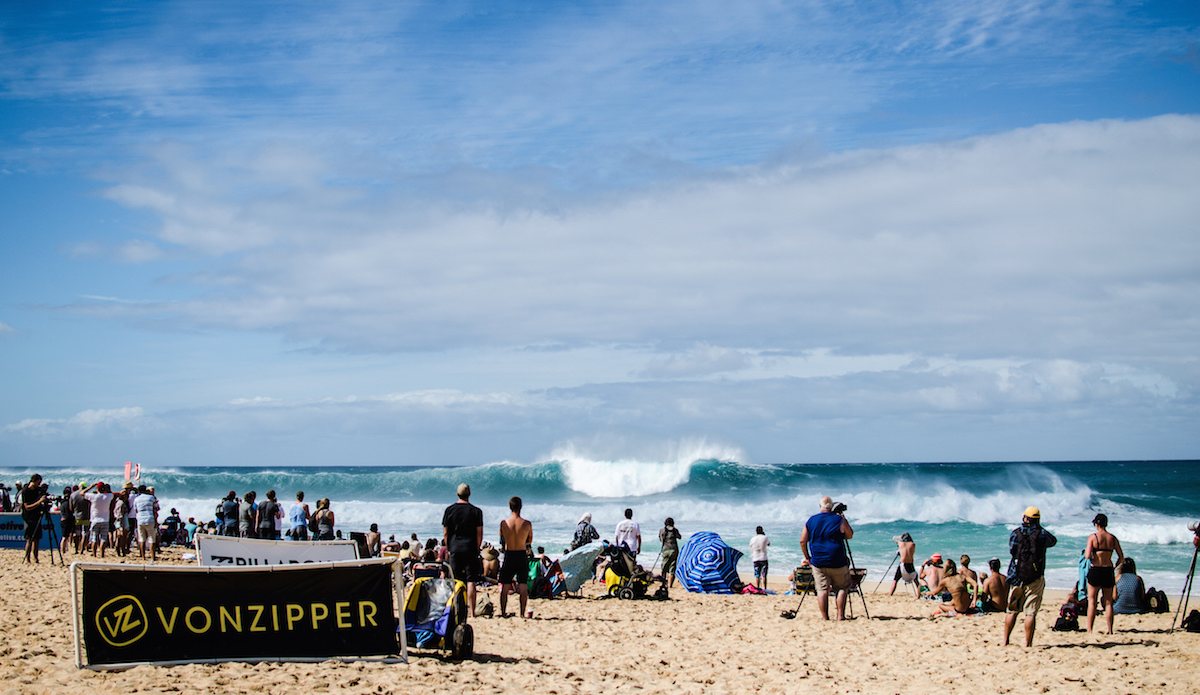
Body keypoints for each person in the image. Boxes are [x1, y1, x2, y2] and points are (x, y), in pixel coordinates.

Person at [1003, 506, 1057, 647]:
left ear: (1025, 518)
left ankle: (1005, 641)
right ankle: (1028, 643)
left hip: (1016, 576)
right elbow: (1053, 541)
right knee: (1030, 612)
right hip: (1035, 576)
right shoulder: (1042, 534)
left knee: (1012, 610)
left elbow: (1012, 550)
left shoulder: (1015, 533)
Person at [799, 496, 854, 621]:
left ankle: (825, 617)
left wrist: (808, 557)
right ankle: (840, 616)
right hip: (837, 559)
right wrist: (844, 520)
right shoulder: (838, 519)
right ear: (831, 507)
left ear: (820, 506)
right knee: (842, 588)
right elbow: (849, 535)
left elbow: (803, 541)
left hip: (818, 560)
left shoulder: (811, 520)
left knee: (822, 590)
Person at [442, 483, 484, 617]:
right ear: (469, 494)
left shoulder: (449, 510)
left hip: (455, 547)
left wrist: (449, 547)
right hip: (470, 548)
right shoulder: (476, 511)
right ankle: (471, 612)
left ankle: (455, 610)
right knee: (471, 581)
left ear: (457, 494)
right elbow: (479, 533)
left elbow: (446, 533)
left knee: (455, 580)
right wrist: (477, 548)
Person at [1084, 513, 1124, 633]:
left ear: (1096, 524)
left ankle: (1090, 630)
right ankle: (1110, 630)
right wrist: (1115, 566)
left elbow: (1087, 556)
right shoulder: (1112, 538)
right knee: (1108, 602)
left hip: (1096, 569)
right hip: (1108, 570)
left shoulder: (1093, 537)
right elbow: (1121, 557)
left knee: (1092, 601)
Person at [499, 496, 533, 618]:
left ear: (510, 507)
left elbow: (502, 539)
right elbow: (529, 541)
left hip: (509, 554)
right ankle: (522, 613)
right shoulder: (527, 524)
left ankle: (503, 612)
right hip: (521, 554)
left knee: (505, 584)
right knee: (523, 584)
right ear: (521, 507)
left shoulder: (503, 523)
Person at [19, 474, 49, 564]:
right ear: (34, 481)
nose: (38, 485)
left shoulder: (37, 491)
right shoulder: (26, 492)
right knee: (30, 538)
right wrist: (39, 502)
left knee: (37, 539)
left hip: (37, 516)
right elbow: (27, 507)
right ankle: (27, 558)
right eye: (38, 483)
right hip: (29, 517)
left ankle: (36, 558)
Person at [83, 481, 116, 558]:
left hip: (95, 520)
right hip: (105, 520)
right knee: (103, 538)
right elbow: (111, 493)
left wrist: (90, 487)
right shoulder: (109, 496)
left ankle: (94, 554)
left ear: (97, 488)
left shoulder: (94, 497)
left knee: (94, 538)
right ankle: (102, 554)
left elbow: (82, 493)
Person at [133, 484, 159, 561]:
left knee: (142, 539)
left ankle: (143, 556)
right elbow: (156, 508)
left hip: (140, 520)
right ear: (146, 490)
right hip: (150, 519)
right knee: (152, 540)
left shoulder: (136, 499)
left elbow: (136, 510)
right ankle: (152, 557)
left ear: (138, 491)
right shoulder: (151, 498)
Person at [659, 518, 682, 588]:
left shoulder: (662, 530)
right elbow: (680, 537)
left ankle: (663, 583)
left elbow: (661, 539)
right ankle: (670, 585)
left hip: (666, 550)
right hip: (674, 550)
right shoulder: (675, 530)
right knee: (672, 568)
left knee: (664, 568)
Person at [70, 483, 90, 553]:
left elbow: (71, 507)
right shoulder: (86, 495)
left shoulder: (73, 495)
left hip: (77, 517)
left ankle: (76, 549)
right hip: (86, 516)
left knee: (77, 534)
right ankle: (81, 549)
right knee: (85, 534)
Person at [58, 486, 76, 556]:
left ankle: (64, 549)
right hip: (66, 520)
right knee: (64, 537)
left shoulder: (62, 502)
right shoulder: (68, 503)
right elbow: (71, 511)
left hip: (63, 519)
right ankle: (62, 550)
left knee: (65, 536)